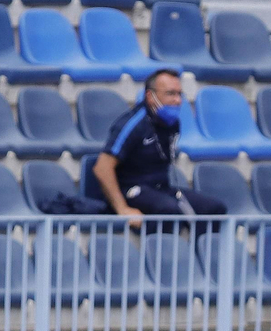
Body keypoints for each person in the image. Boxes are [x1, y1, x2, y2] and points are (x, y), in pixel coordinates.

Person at [94, 68, 226, 227]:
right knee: (168, 210)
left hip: (160, 189)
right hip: (131, 189)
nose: (177, 100)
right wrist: (123, 209)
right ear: (151, 96)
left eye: (179, 94)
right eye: (171, 94)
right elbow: (102, 168)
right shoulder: (133, 124)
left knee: (214, 209)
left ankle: (199, 244)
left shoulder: (172, 124)